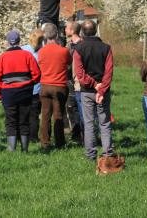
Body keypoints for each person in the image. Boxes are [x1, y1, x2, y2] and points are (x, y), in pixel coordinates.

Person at [0, 29, 41, 152]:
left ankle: (11, 149)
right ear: (19, 41)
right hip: (25, 92)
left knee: (10, 120)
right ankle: (24, 149)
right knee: (24, 120)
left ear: (8, 42)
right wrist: (30, 84)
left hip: (8, 93)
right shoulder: (27, 55)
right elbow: (37, 74)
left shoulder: (2, 57)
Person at [73, 20, 115, 161]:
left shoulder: (79, 49)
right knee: (104, 122)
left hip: (87, 91)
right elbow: (109, 72)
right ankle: (107, 153)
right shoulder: (106, 48)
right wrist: (101, 89)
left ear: (82, 32)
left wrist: (94, 85)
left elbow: (80, 74)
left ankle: (91, 154)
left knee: (89, 123)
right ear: (96, 29)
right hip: (102, 91)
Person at [38, 23, 71, 149]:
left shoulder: (41, 52)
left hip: (45, 85)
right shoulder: (64, 51)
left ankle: (45, 142)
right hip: (60, 86)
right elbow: (69, 64)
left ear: (45, 36)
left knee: (45, 114)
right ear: (57, 34)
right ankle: (60, 143)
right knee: (58, 115)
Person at [21, 29, 44, 142]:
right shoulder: (43, 52)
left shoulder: (22, 50)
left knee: (23, 112)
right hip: (37, 86)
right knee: (34, 114)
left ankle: (22, 135)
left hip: (23, 86)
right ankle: (33, 137)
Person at [64, 20, 84, 142]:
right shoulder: (68, 45)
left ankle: (84, 133)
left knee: (82, 107)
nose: (65, 30)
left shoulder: (83, 45)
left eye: (66, 28)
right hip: (69, 79)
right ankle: (76, 133)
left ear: (72, 31)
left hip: (80, 80)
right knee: (71, 107)